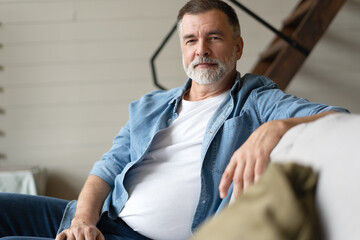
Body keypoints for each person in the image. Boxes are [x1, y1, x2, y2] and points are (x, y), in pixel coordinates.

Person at [0, 0, 348, 240]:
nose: (202, 50)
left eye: (214, 37)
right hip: (104, 221)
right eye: (192, 40)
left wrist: (277, 126)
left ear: (238, 47)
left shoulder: (256, 100)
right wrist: (82, 223)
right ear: (183, 49)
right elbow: (106, 169)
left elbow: (337, 117)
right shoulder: (151, 106)